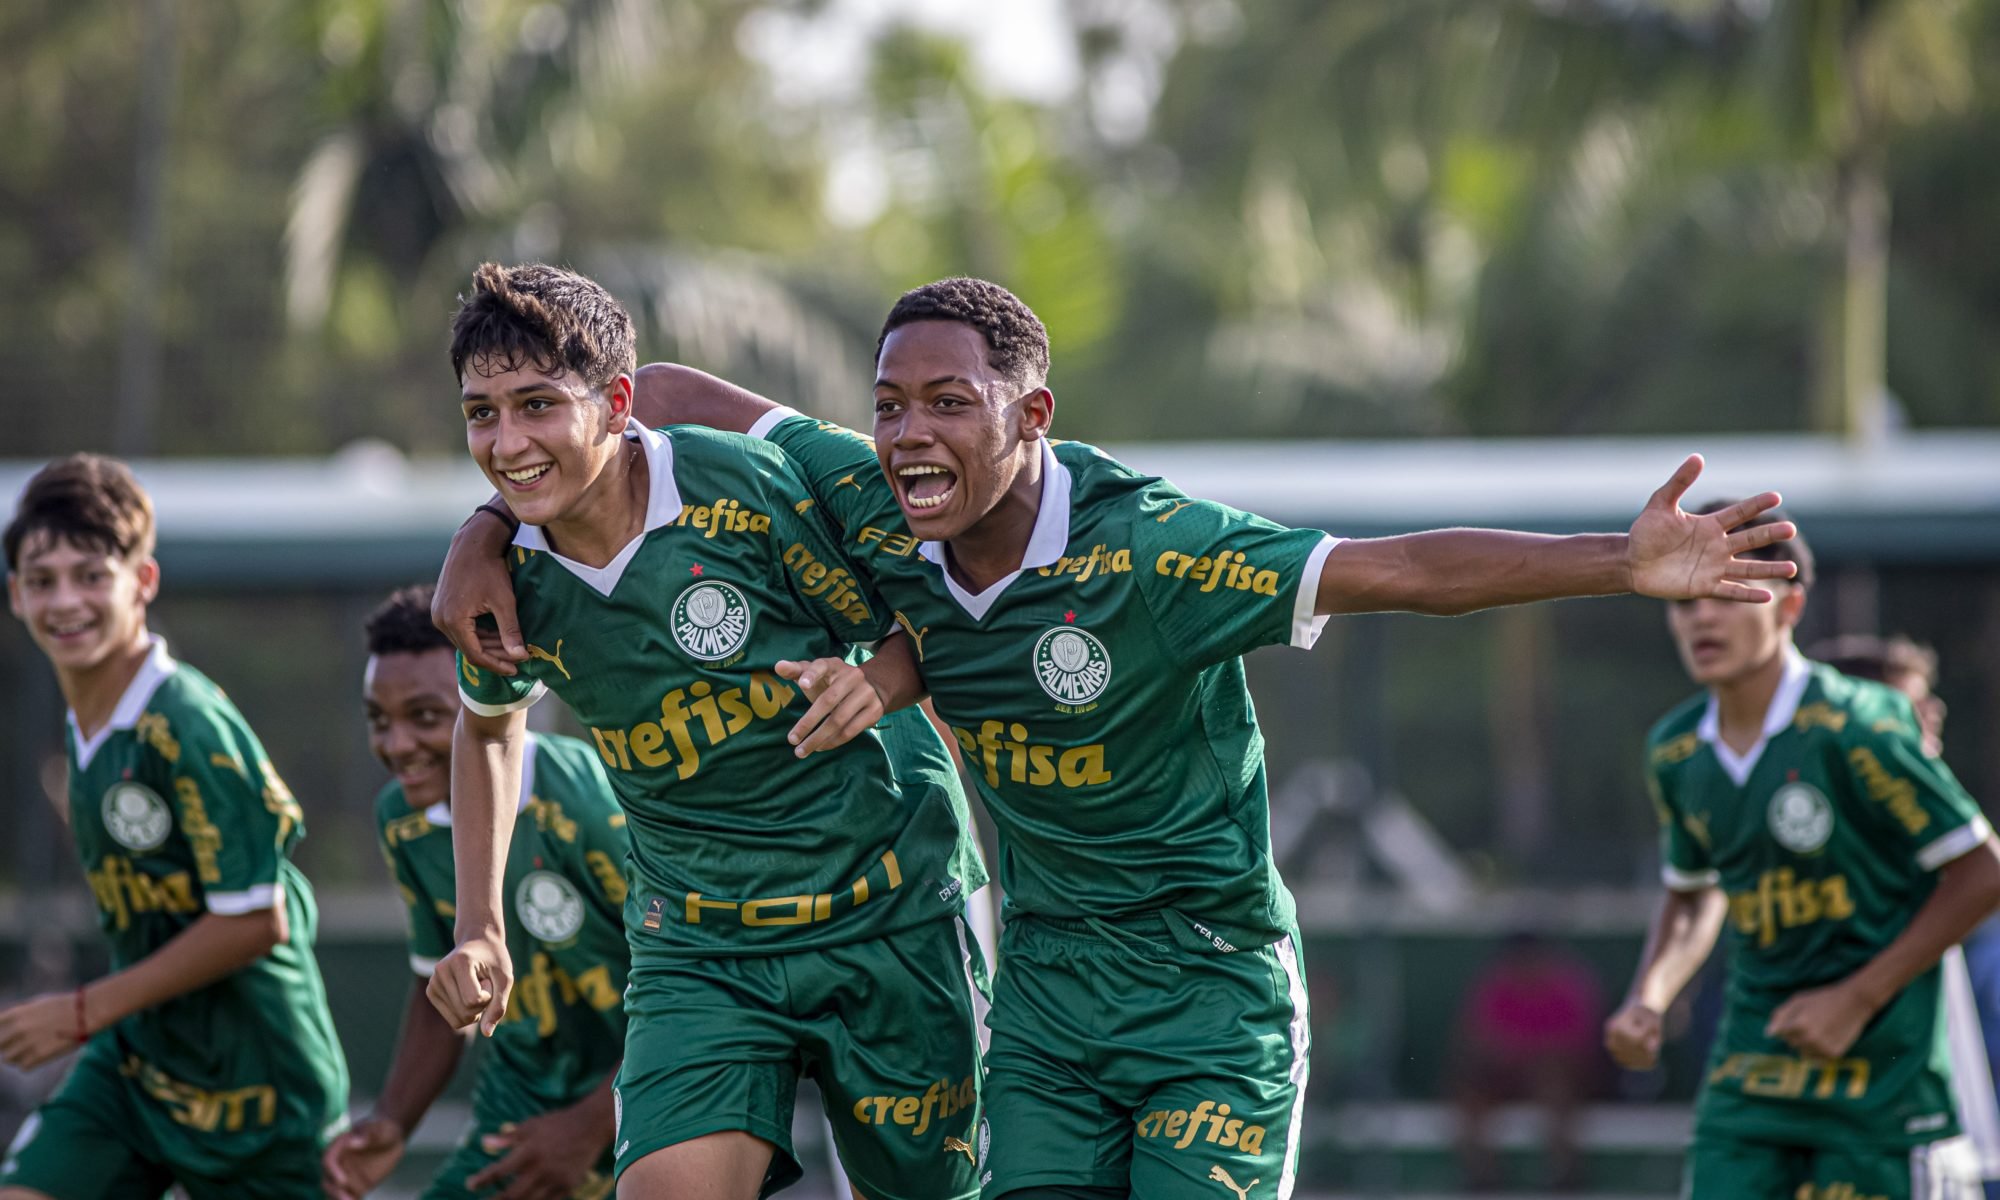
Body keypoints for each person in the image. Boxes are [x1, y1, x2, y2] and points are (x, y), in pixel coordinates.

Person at [436, 276, 1799, 1197]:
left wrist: (1617, 563)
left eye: (948, 404)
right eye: (889, 405)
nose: (906, 435)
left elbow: (1396, 571)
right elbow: (669, 388)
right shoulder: (879, 504)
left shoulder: (1154, 550)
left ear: (1031, 417)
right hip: (1042, 989)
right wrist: (485, 529)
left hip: (1204, 983)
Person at [425, 264, 988, 1200]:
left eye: (537, 406)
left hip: (889, 907)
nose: (508, 442)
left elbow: (937, 611)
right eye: (482, 414)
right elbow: (488, 730)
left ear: (615, 405)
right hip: (700, 943)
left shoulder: (746, 485)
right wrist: (480, 927)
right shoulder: (504, 577)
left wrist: (876, 682)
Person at [1604, 509, 2000, 1199]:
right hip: (1750, 1080)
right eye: (1686, 601)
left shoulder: (1858, 724)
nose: (1703, 618)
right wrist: (1650, 996)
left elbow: (1982, 871)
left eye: (1726, 596)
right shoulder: (1676, 750)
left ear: (1790, 606)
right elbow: (1694, 889)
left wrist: (1853, 998)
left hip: (1879, 1085)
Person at [0, 455, 348, 1199]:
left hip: (256, 1086)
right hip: (139, 1065)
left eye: (91, 575)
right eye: (42, 580)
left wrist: (80, 1013)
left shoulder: (186, 722)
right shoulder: (84, 721)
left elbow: (256, 919)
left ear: (144, 582)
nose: (66, 600)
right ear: (16, 595)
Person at [322, 586, 629, 1200]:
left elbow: (695, 974)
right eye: (379, 721)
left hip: (652, 1094)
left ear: (480, 702)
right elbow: (437, 983)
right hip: (522, 1109)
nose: (397, 745)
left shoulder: (582, 802)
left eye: (425, 717)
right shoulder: (403, 822)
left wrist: (590, 1127)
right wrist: (393, 1120)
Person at [1451, 932, 1604, 1191]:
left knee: (1554, 1083)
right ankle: (1481, 1178)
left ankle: (1565, 1175)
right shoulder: (1495, 986)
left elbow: (1578, 1044)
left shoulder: (1568, 986)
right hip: (1503, 1077)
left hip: (1558, 1078)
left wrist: (1532, 1056)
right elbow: (1475, 1039)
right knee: (1469, 1095)